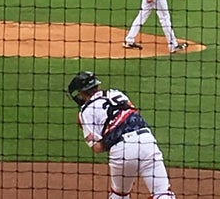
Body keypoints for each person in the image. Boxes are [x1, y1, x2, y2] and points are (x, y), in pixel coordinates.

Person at [67, 71, 177, 199]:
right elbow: (133, 114)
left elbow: (98, 148)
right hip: (146, 141)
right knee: (162, 193)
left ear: (81, 92)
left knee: (119, 194)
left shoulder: (85, 112)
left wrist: (110, 136)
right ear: (97, 86)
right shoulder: (116, 93)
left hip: (122, 151)